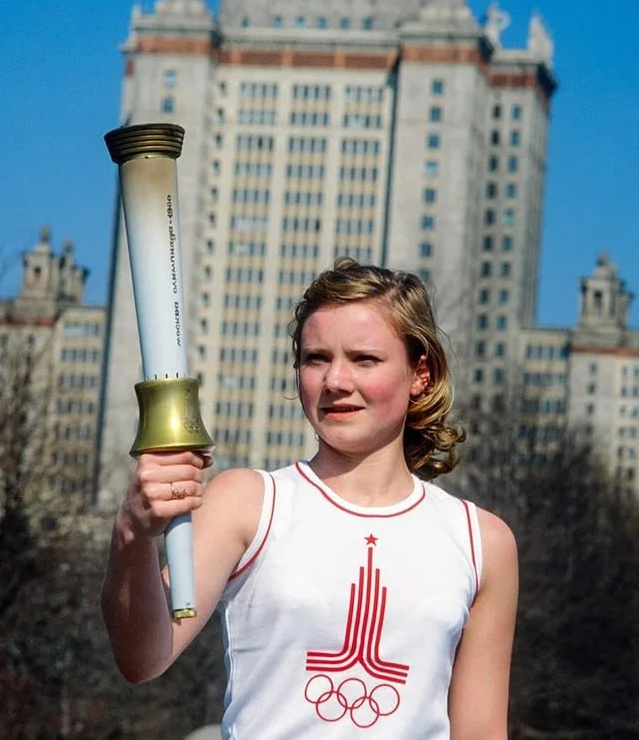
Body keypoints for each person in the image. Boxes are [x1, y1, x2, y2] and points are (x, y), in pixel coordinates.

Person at [102, 258, 518, 739]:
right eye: (316, 358)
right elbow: (142, 658)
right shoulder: (250, 503)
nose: (336, 381)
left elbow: (481, 731)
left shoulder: (480, 541)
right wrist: (131, 535)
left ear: (419, 373)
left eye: (364, 359)